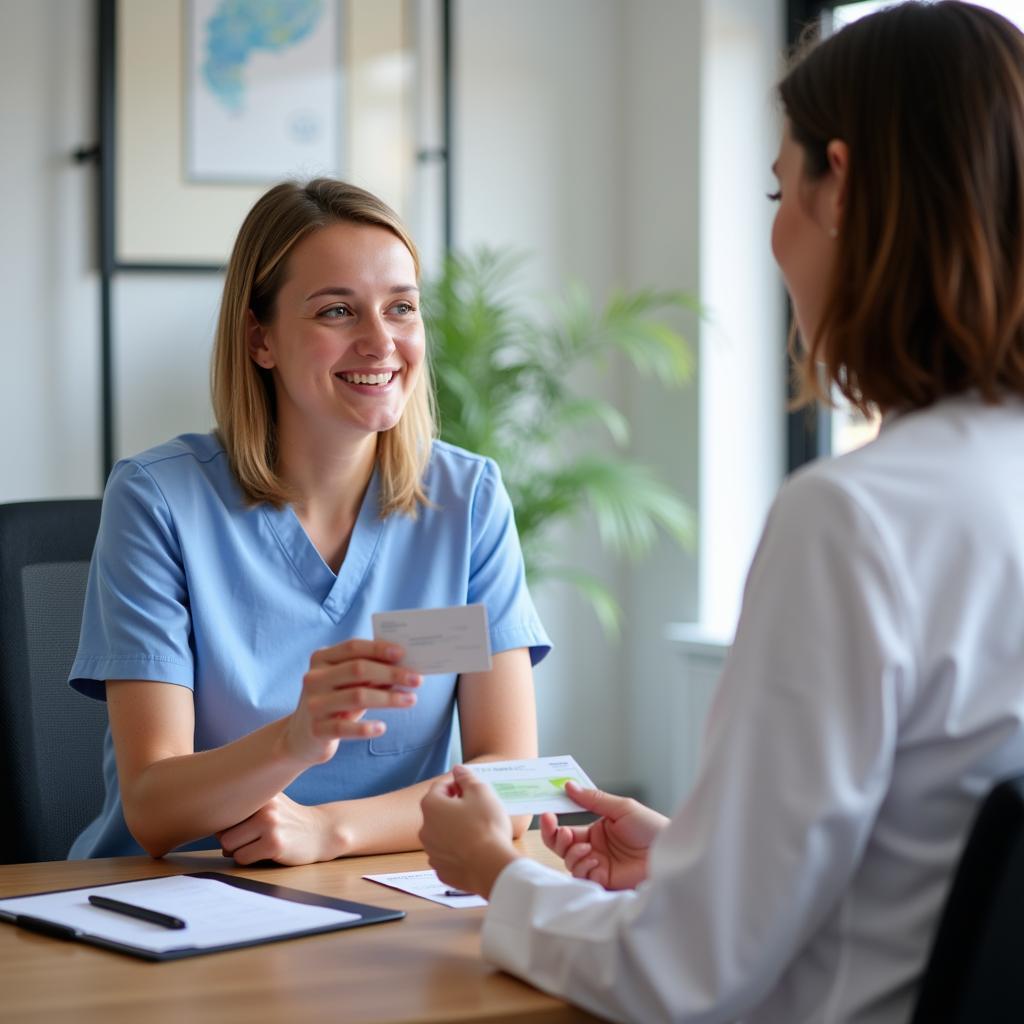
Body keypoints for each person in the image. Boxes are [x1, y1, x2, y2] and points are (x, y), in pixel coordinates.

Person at [418, 3, 1024, 1021]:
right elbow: (927, 859)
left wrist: (500, 875)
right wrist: (697, 856)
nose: (775, 234)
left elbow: (685, 976)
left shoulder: (858, 518)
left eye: (780, 190)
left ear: (843, 192)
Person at [69, 178, 549, 863]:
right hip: (176, 905)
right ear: (260, 339)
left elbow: (509, 786)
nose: (381, 342)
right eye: (336, 312)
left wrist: (330, 831)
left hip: (378, 895)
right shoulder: (157, 500)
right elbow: (152, 806)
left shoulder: (467, 499)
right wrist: (294, 739)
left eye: (402, 308)